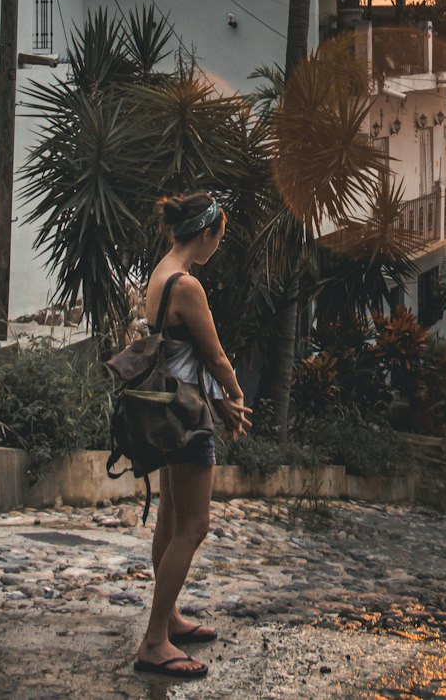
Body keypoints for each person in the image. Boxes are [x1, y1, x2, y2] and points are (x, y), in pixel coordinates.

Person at [133, 191, 251, 680]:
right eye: (218, 238)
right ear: (205, 234)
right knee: (194, 526)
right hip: (187, 418)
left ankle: (169, 619)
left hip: (167, 409)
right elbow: (216, 355)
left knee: (172, 516)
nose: (217, 247)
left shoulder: (160, 273)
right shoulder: (188, 286)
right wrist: (237, 398)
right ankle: (155, 641)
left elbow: (181, 356)